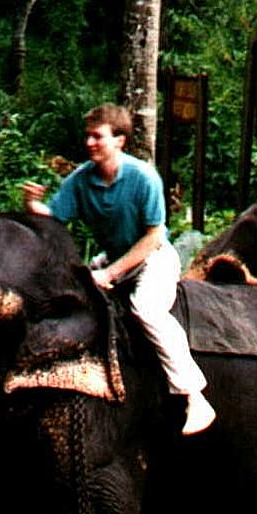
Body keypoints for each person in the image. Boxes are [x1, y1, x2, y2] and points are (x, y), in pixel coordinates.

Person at [22, 103, 216, 435]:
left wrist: (111, 274)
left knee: (147, 309)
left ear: (120, 141)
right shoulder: (81, 179)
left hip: (152, 256)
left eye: (98, 137)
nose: (90, 143)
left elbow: (154, 236)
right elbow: (54, 219)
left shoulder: (143, 178)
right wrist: (32, 205)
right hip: (112, 257)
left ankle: (195, 396)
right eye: (88, 137)